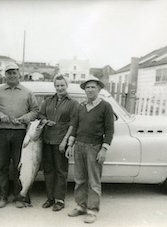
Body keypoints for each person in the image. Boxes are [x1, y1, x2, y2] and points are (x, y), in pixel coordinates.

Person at [0, 62, 39, 208]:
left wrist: (25, 118)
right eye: (9, 73)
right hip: (3, 132)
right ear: (5, 75)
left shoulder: (27, 92)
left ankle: (19, 197)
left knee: (19, 166)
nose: (11, 75)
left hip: (20, 134)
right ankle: (3, 196)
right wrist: (0, 115)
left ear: (19, 74)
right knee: (3, 165)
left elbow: (35, 110)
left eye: (14, 73)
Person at [66, 77, 114, 223]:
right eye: (87, 87)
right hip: (79, 146)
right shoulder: (81, 106)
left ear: (99, 89)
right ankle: (81, 206)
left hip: (95, 147)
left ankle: (92, 210)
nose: (90, 90)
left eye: (93, 87)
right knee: (80, 179)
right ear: (84, 90)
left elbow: (110, 130)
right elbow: (75, 126)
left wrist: (104, 149)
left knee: (94, 181)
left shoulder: (105, 107)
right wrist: (70, 145)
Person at [39, 75, 78, 212]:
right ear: (54, 86)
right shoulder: (48, 100)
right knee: (48, 170)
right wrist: (45, 121)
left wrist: (65, 141)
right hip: (47, 139)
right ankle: (50, 198)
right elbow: (41, 115)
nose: (60, 88)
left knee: (61, 171)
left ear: (67, 85)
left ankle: (59, 200)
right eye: (57, 85)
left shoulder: (73, 103)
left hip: (61, 140)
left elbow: (74, 123)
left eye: (62, 85)